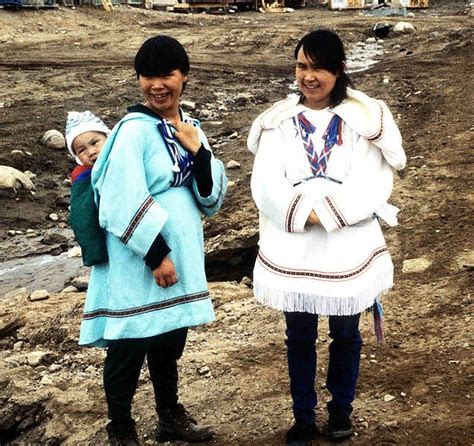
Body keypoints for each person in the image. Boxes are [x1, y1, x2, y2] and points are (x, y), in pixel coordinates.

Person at [247, 29, 406, 445]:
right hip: (294, 243)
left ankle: (340, 412)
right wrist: (303, 212)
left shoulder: (363, 119)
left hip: (345, 243)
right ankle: (303, 416)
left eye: (318, 67)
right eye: (302, 66)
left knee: (345, 334)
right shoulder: (277, 122)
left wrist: (330, 213)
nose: (309, 76)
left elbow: (374, 178)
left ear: (339, 70)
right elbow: (265, 181)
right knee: (298, 336)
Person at [78, 35, 227, 445]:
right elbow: (120, 197)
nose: (157, 84)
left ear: (184, 77)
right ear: (138, 79)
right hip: (139, 258)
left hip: (182, 254)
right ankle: (121, 430)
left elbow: (210, 200)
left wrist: (199, 153)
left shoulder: (190, 129)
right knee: (128, 344)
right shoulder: (132, 132)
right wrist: (157, 254)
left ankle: (168, 418)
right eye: (148, 75)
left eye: (167, 74)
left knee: (168, 338)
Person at [65, 110, 110, 266]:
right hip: (108, 245)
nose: (91, 152)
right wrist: (94, 253)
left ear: (108, 138)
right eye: (82, 150)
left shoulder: (124, 160)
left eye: (94, 143)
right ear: (77, 157)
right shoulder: (83, 178)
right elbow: (82, 218)